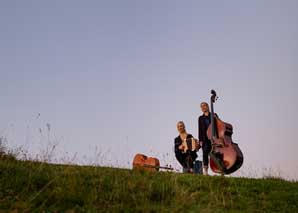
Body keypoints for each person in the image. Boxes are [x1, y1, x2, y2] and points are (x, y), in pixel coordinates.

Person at [198, 102, 218, 175]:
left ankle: (220, 169)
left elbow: (218, 125)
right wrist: (200, 140)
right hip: (205, 139)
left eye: (204, 106)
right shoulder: (200, 118)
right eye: (201, 107)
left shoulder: (214, 115)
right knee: (205, 153)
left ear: (208, 106)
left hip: (214, 138)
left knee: (216, 154)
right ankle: (205, 171)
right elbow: (200, 130)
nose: (203, 107)